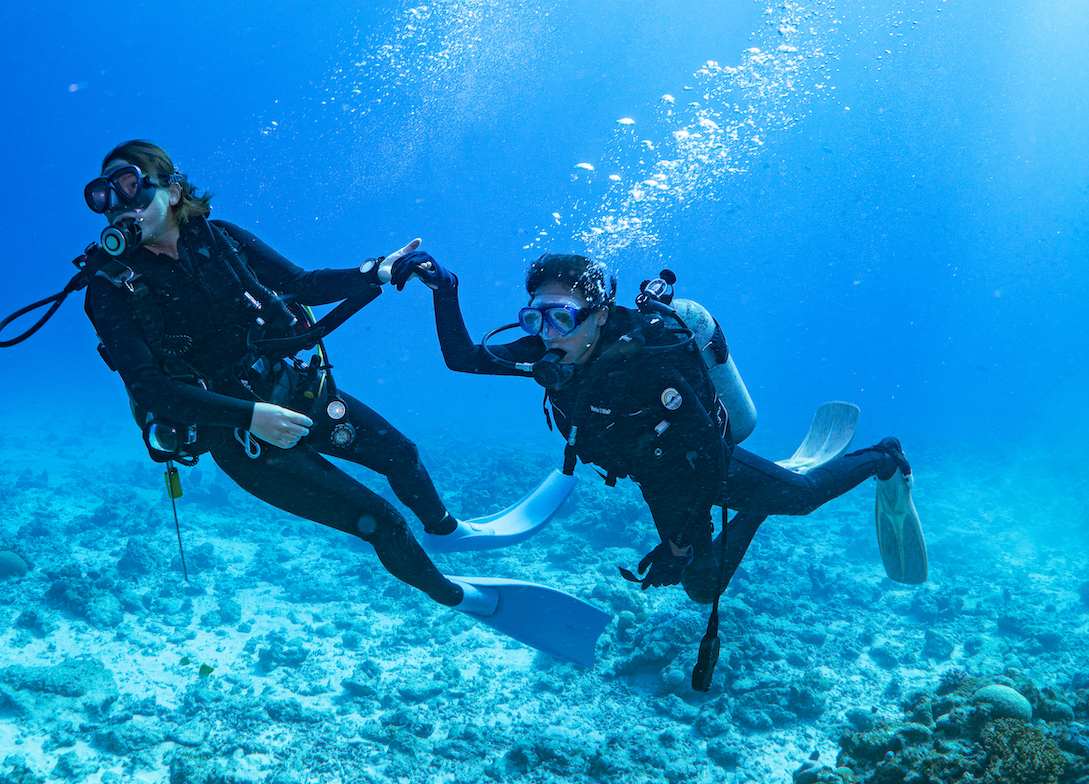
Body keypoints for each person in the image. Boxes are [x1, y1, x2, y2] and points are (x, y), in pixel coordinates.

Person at [79, 140, 492, 611]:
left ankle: (447, 531)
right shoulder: (109, 288)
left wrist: (376, 271)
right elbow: (151, 389)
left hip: (293, 389)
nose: (117, 207)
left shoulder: (222, 239)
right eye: (104, 197)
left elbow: (301, 283)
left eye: (131, 187)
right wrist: (250, 417)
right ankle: (462, 599)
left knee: (401, 454)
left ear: (173, 192)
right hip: (240, 438)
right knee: (381, 521)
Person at [394, 249, 929, 609]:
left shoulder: (649, 359)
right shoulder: (550, 347)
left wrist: (675, 542)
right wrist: (446, 288)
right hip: (651, 469)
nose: (545, 335)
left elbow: (708, 457)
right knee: (702, 588)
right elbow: (463, 358)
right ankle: (755, 505)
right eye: (535, 318)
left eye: (560, 317)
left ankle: (885, 457)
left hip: (699, 460)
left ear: (600, 315)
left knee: (805, 496)